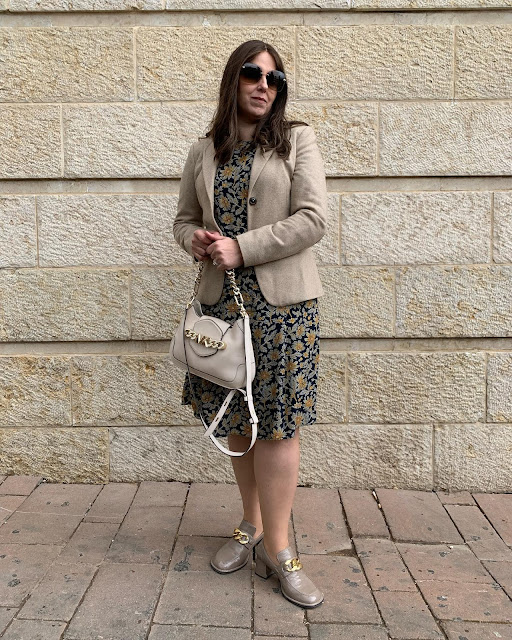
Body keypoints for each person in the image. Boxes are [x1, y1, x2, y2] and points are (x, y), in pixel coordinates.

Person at [173, 39, 328, 609]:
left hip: (284, 308)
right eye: (253, 74)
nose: (265, 85)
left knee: (280, 424)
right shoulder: (204, 150)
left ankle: (281, 551)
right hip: (223, 308)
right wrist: (194, 239)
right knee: (237, 415)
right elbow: (185, 218)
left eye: (275, 78)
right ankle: (250, 525)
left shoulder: (297, 141)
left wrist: (241, 247)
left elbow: (313, 219)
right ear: (232, 82)